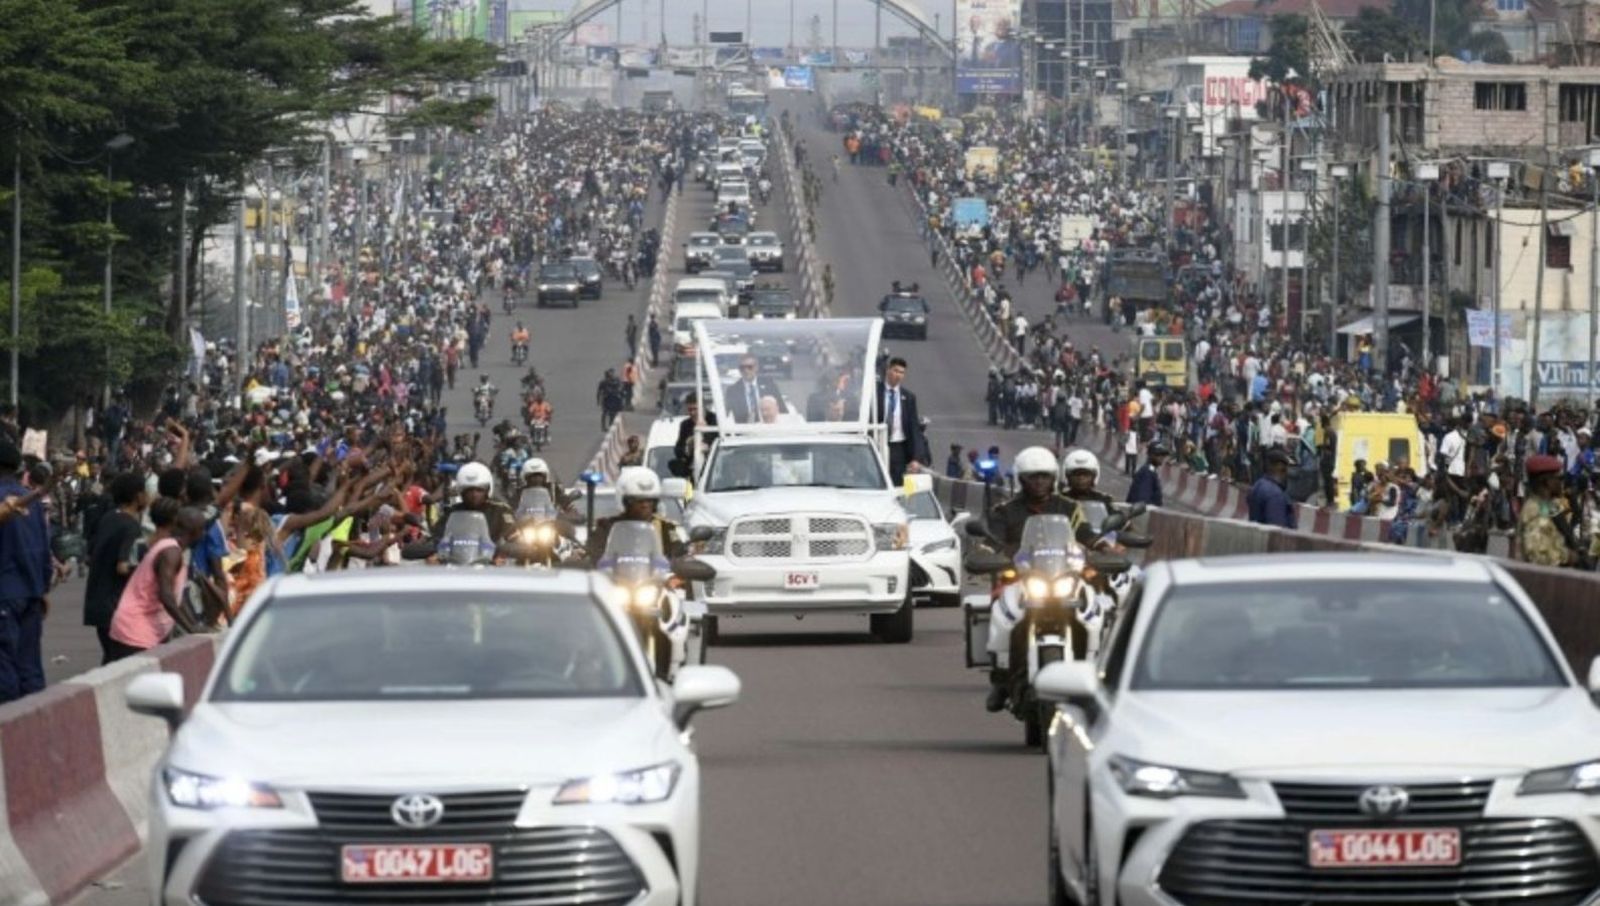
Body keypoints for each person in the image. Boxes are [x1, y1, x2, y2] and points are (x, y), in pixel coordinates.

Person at [983, 447, 1098, 713]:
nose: (1039, 483)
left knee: (1097, 608)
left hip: (1063, 576)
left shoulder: (1070, 508)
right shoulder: (1005, 511)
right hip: (1020, 580)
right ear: (1022, 480)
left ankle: (1098, 668)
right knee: (999, 609)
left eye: (1044, 477)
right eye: (1033, 477)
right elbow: (991, 542)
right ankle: (1001, 680)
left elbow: (1087, 536)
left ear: (1054, 478)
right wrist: (987, 553)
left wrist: (1104, 549)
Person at [105, 502, 206, 662]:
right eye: (203, 529)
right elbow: (166, 596)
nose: (205, 533)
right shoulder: (171, 553)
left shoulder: (173, 549)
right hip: (135, 633)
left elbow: (176, 598)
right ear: (195, 532)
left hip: (142, 631)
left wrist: (195, 626)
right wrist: (191, 629)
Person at [0, 441, 51, 701]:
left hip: (5, 596)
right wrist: (42, 589)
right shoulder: (32, 503)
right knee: (30, 668)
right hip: (31, 593)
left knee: (5, 669)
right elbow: (44, 550)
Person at [588, 467, 683, 560]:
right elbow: (594, 552)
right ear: (625, 502)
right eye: (638, 501)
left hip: (656, 575)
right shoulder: (608, 527)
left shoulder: (665, 527)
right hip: (617, 575)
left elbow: (679, 553)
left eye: (650, 500)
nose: (645, 505)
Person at [872, 357, 927, 485]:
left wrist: (916, 458)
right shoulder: (875, 392)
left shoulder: (908, 398)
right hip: (877, 443)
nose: (898, 375)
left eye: (902, 373)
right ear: (888, 370)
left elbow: (914, 428)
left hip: (898, 448)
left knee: (897, 483)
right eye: (896, 371)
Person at [431, 462, 515, 544]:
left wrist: (505, 551)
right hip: (458, 557)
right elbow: (437, 536)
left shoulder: (501, 510)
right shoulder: (453, 511)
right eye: (469, 490)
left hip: (494, 556)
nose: (474, 495)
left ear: (487, 490)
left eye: (479, 490)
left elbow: (512, 535)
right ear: (462, 492)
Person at [1518, 454, 1579, 567]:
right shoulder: (1535, 510)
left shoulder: (1546, 506)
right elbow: (1538, 556)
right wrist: (1568, 556)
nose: (1561, 483)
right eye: (1559, 478)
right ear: (1546, 481)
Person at [1247, 447, 1298, 529]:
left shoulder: (1258, 485)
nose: (1287, 474)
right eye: (1285, 470)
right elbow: (1277, 531)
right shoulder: (1275, 495)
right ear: (1280, 467)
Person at [724, 356, 785, 424]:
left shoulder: (769, 385)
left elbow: (782, 410)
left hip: (768, 429)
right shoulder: (733, 390)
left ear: (756, 368)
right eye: (742, 368)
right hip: (744, 431)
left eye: (749, 367)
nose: (746, 370)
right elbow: (724, 415)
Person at [1127, 440, 1168, 507]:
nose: (1162, 457)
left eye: (1163, 454)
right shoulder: (1148, 472)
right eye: (1158, 454)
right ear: (1150, 455)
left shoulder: (1150, 470)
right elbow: (1141, 501)